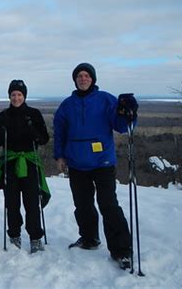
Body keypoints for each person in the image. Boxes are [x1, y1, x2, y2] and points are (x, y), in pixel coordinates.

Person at [53, 63, 138, 270]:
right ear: (75, 80)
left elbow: (121, 126)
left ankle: (122, 250)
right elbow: (59, 131)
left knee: (108, 204)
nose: (83, 79)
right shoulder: (67, 105)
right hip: (76, 162)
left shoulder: (106, 100)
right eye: (79, 76)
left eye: (87, 75)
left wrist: (129, 113)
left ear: (93, 79)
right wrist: (60, 156)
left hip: (102, 162)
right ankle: (89, 238)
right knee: (82, 204)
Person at [0, 79, 51, 254]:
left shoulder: (34, 114)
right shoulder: (3, 116)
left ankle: (35, 237)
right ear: (9, 96)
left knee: (31, 202)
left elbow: (44, 139)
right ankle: (14, 235)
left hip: (29, 163)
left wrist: (33, 132)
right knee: (12, 202)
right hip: (10, 163)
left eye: (19, 94)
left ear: (24, 96)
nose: (16, 98)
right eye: (13, 94)